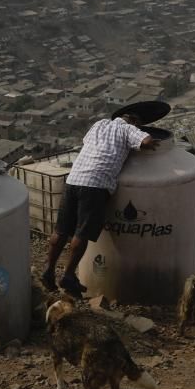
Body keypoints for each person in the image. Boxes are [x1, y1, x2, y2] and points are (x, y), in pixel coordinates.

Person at [42, 113, 154, 296]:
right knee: (82, 232)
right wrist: (145, 139)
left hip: (73, 179)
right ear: (134, 121)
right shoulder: (128, 129)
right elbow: (147, 141)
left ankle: (48, 270)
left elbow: (88, 142)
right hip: (96, 184)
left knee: (60, 230)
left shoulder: (99, 124)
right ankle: (69, 275)